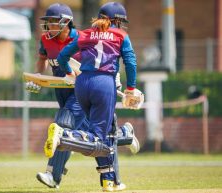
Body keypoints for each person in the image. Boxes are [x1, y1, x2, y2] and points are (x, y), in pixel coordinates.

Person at [44, 2, 144, 192]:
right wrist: (131, 88)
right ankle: (64, 135)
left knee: (106, 131)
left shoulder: (86, 33)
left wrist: (68, 74)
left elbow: (64, 56)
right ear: (117, 21)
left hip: (82, 84)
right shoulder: (121, 35)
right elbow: (130, 62)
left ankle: (109, 181)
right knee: (99, 137)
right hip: (104, 84)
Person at [25, 3, 89, 189]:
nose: (49, 26)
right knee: (90, 132)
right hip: (60, 91)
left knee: (62, 127)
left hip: (81, 91)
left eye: (54, 22)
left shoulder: (82, 39)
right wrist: (37, 78)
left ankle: (53, 175)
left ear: (66, 22)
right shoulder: (46, 40)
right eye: (48, 22)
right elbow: (42, 60)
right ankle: (124, 134)